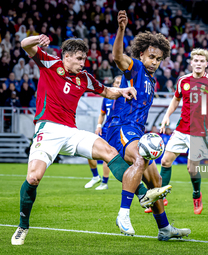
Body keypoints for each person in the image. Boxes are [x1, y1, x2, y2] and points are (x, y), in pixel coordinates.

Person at [11, 35, 137, 246]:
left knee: (108, 151)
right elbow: (24, 44)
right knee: (33, 178)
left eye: (84, 59)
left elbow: (106, 91)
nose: (82, 63)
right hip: (47, 128)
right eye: (78, 59)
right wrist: (37, 39)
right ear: (66, 56)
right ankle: (23, 226)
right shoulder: (49, 63)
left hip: (71, 131)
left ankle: (142, 194)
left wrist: (122, 91)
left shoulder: (84, 78)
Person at [106, 10, 191, 240]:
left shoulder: (152, 82)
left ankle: (164, 228)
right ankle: (123, 214)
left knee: (156, 180)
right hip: (121, 127)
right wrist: (122, 29)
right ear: (141, 54)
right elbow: (117, 56)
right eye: (151, 57)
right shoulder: (135, 68)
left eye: (158, 59)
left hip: (135, 131)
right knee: (140, 158)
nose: (154, 62)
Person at [158, 48, 208, 214]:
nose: (198, 64)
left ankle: (196, 194)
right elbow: (176, 99)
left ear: (206, 63)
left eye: (202, 61)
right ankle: (161, 196)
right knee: (165, 161)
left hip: (200, 132)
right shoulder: (183, 80)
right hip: (182, 128)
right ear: (191, 62)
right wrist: (167, 116)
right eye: (195, 61)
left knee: (192, 169)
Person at [85, 75, 122, 190]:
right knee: (88, 150)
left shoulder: (126, 99)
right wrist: (98, 126)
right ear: (113, 84)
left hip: (117, 130)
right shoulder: (107, 98)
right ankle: (95, 176)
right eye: (117, 82)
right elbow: (102, 114)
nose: (118, 85)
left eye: (121, 83)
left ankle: (104, 183)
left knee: (107, 155)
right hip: (105, 128)